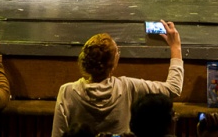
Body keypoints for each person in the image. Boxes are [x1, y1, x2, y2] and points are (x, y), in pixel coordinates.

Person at [51, 21, 183, 137]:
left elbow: (58, 134)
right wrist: (175, 47)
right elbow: (173, 89)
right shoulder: (127, 87)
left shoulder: (67, 91)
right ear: (114, 63)